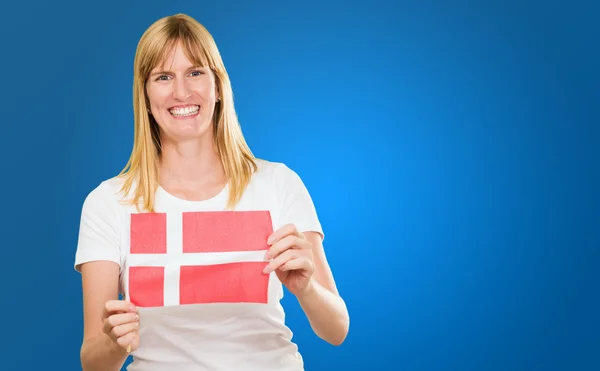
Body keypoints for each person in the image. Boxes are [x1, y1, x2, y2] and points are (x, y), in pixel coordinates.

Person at [74, 13, 349, 371]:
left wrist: (306, 288)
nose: (182, 92)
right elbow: (93, 361)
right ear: (144, 94)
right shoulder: (108, 203)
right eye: (163, 77)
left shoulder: (278, 184)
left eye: (195, 72)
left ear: (218, 87)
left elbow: (336, 329)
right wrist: (114, 343)